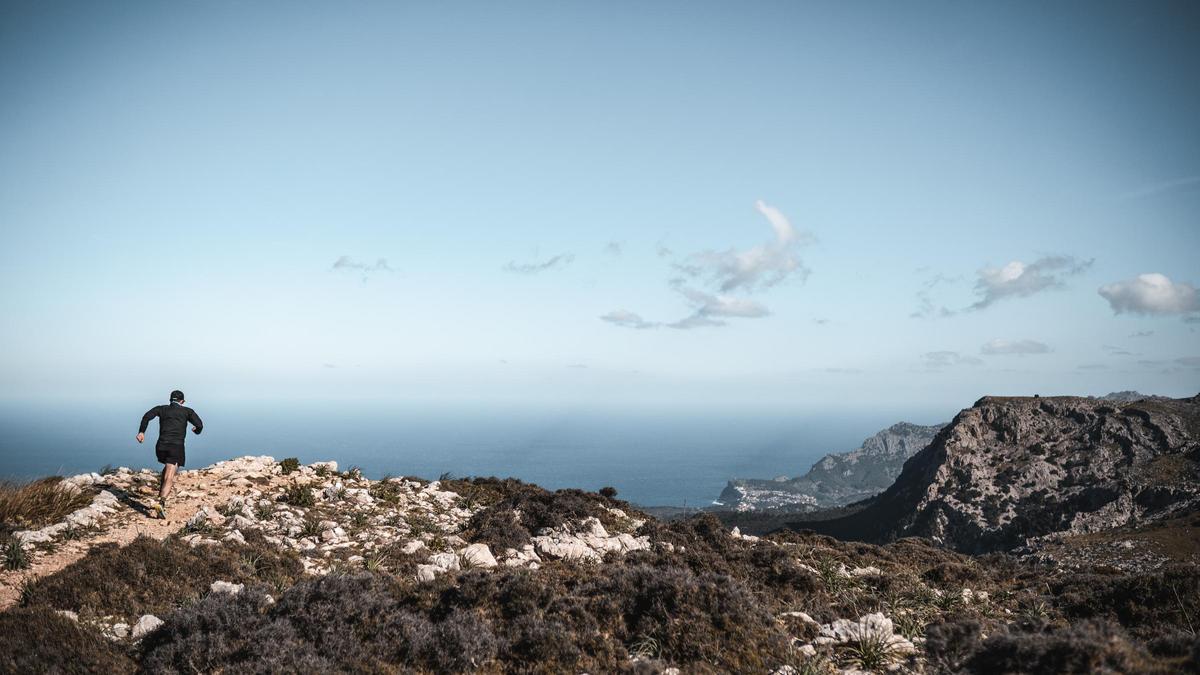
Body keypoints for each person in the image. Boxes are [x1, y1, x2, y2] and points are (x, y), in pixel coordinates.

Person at [137, 390, 203, 519]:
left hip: (161, 446)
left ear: (170, 400)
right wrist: (196, 431)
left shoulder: (161, 409)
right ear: (182, 401)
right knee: (170, 475)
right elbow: (199, 425)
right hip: (176, 446)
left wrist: (141, 432)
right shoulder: (187, 411)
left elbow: (146, 416)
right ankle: (161, 502)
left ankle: (160, 495)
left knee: (166, 470)